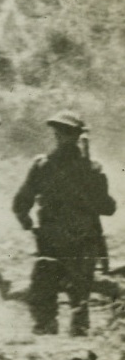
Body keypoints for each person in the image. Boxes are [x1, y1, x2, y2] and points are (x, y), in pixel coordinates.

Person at [12, 110, 116, 336]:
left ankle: (71, 340)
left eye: (66, 132)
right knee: (54, 294)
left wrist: (26, 220)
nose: (61, 136)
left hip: (71, 239)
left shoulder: (87, 168)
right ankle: (55, 336)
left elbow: (108, 208)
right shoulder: (45, 165)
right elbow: (22, 201)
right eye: (60, 132)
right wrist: (26, 220)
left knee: (71, 296)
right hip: (63, 238)